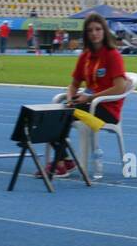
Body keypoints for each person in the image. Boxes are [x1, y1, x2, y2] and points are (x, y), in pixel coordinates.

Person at [44, 13, 130, 179]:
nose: (94, 33)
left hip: (107, 110)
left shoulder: (113, 55)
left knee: (64, 115)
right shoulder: (85, 56)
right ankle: (64, 160)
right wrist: (70, 98)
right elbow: (74, 84)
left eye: (98, 29)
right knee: (51, 114)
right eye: (90, 30)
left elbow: (120, 88)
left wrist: (89, 98)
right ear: (86, 34)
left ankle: (61, 163)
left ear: (104, 31)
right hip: (88, 105)